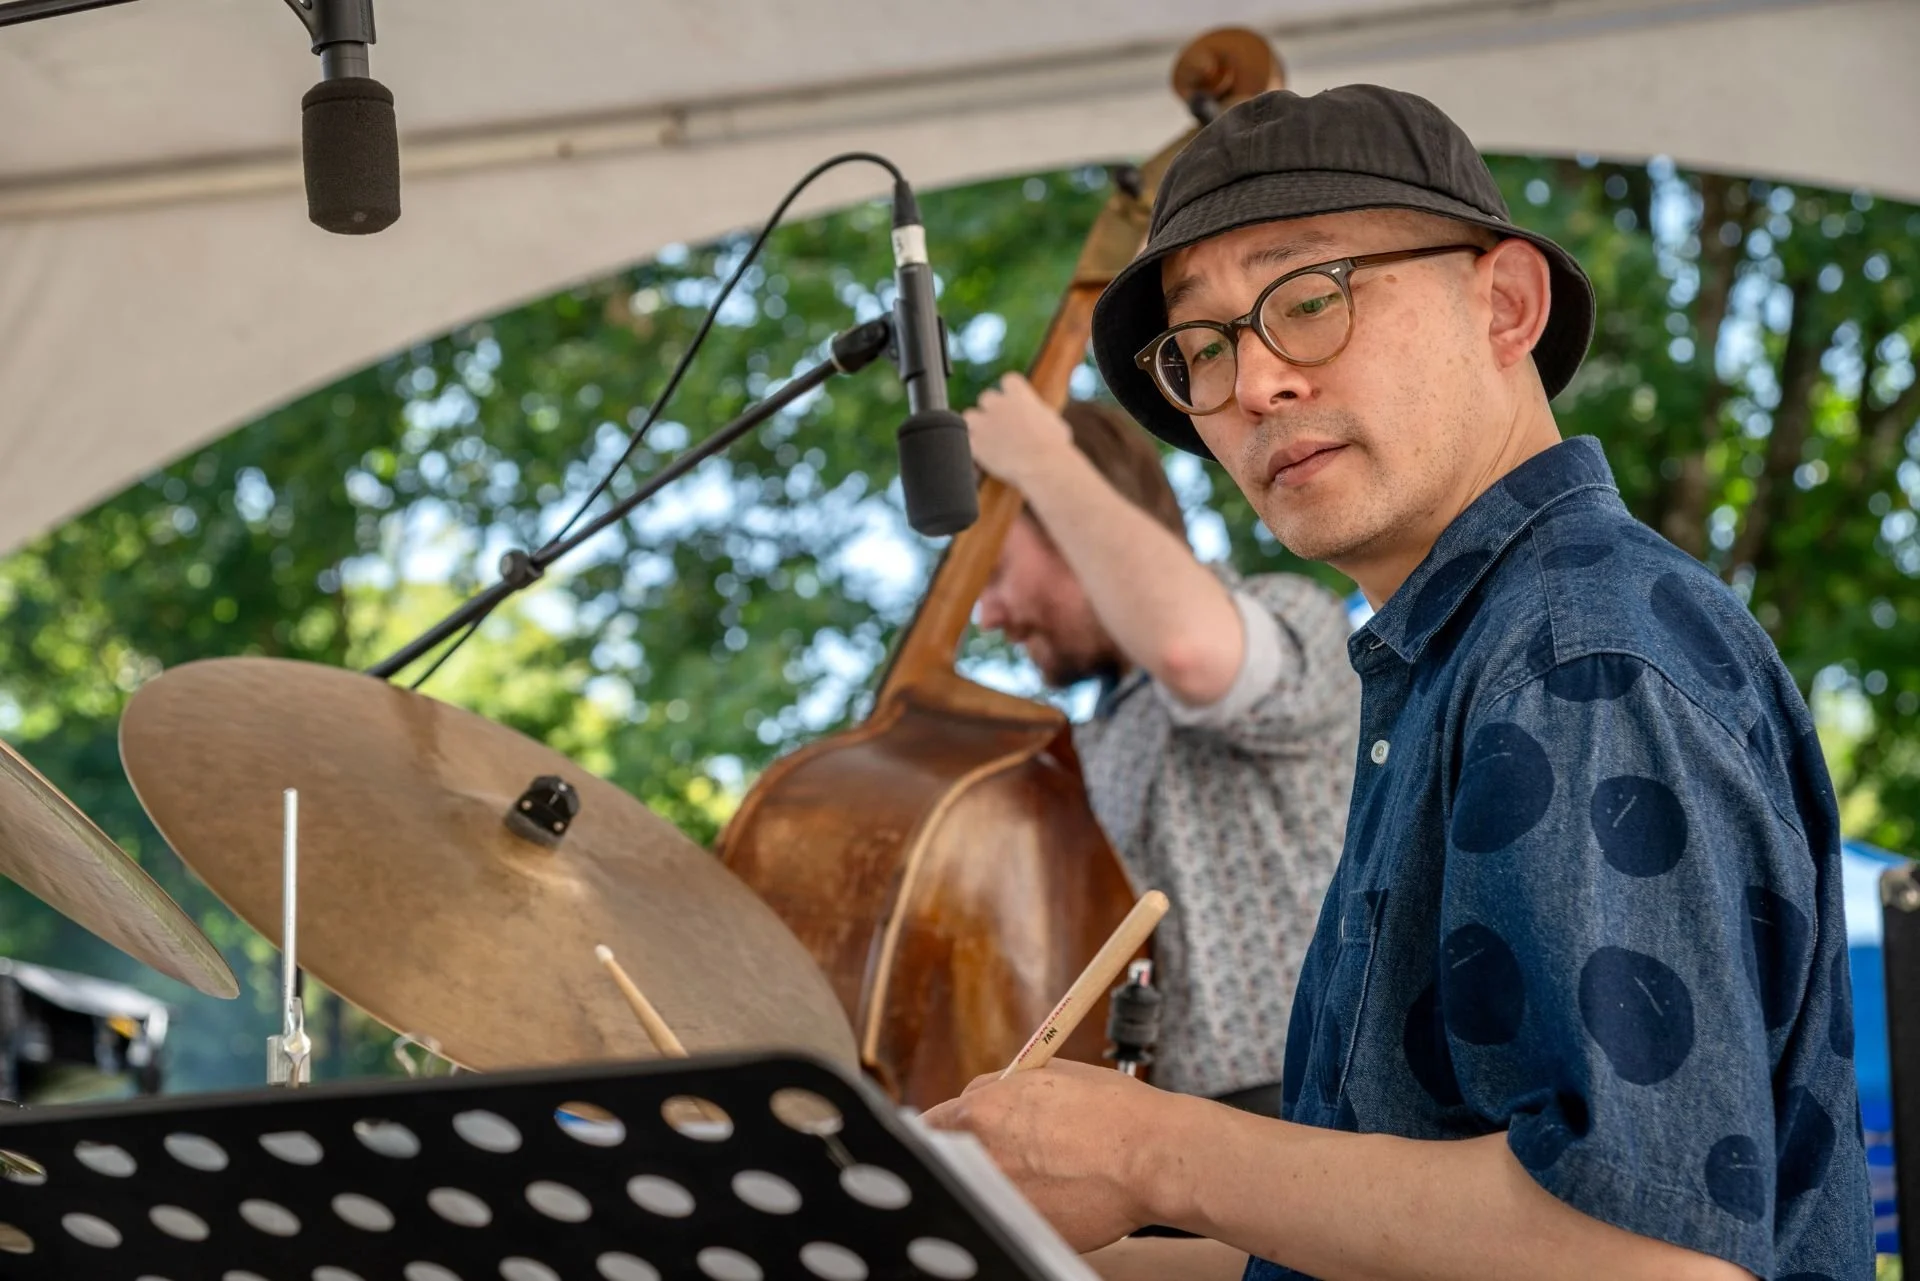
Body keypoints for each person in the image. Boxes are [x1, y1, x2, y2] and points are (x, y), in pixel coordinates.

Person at [925, 84, 1872, 1281]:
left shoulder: (1575, 654)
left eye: (1309, 298)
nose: (1252, 383)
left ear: (1505, 305)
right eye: (1202, 348)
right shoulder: (1465, 654)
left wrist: (1150, 1152)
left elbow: (1647, 1257)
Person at [961, 386, 1361, 1115]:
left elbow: (1190, 651)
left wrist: (1043, 461)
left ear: (1079, 524)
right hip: (1165, 1129)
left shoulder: (1294, 616)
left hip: (1311, 1107)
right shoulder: (1090, 739)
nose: (985, 614)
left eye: (994, 571)